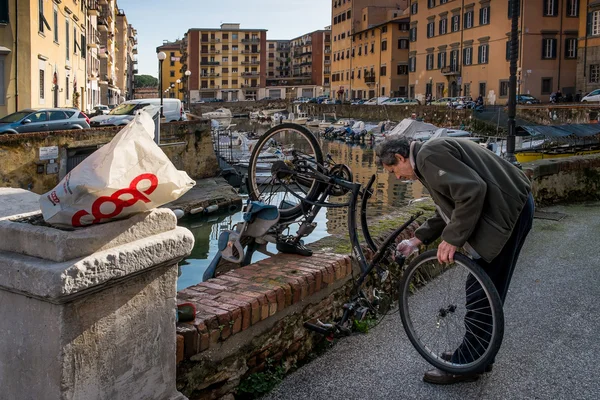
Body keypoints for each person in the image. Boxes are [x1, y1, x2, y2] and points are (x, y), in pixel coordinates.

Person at [375, 137, 534, 385]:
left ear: (399, 158)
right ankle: (480, 356)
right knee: (488, 289)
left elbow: (472, 190)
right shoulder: (427, 158)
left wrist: (452, 239)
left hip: (508, 210)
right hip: (515, 205)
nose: (397, 177)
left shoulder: (428, 158)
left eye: (393, 170)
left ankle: (467, 364)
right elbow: (448, 207)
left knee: (480, 291)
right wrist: (418, 240)